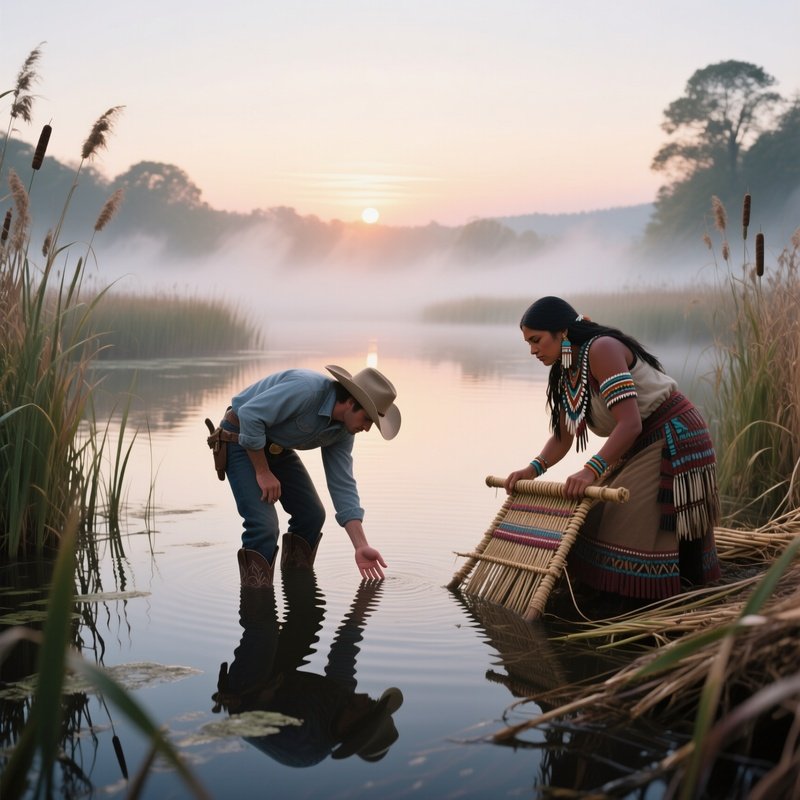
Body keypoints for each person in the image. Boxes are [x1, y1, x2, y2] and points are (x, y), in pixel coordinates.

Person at [504, 296, 721, 602]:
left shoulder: (601, 349)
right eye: (528, 342)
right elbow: (563, 438)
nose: (533, 350)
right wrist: (531, 469)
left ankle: (664, 596)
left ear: (562, 333)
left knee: (618, 526)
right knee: (591, 519)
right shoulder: (566, 369)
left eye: (537, 340)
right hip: (640, 443)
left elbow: (630, 423)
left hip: (674, 436)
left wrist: (590, 471)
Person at [216, 364, 401, 587]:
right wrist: (263, 472)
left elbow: (342, 483)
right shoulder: (306, 390)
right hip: (239, 436)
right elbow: (250, 415)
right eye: (367, 419)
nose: (368, 428)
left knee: (312, 515)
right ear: (351, 403)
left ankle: (297, 589)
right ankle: (257, 604)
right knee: (264, 526)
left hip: (275, 445)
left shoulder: (344, 431)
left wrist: (360, 545)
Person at [211, 573, 404, 766]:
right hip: (279, 677)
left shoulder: (304, 746)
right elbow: (345, 647)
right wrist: (364, 604)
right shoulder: (342, 694)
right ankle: (297, 561)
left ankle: (255, 568)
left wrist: (260, 698)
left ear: (355, 725)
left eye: (369, 704)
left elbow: (246, 725)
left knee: (264, 629)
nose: (364, 696)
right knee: (310, 615)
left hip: (247, 695)